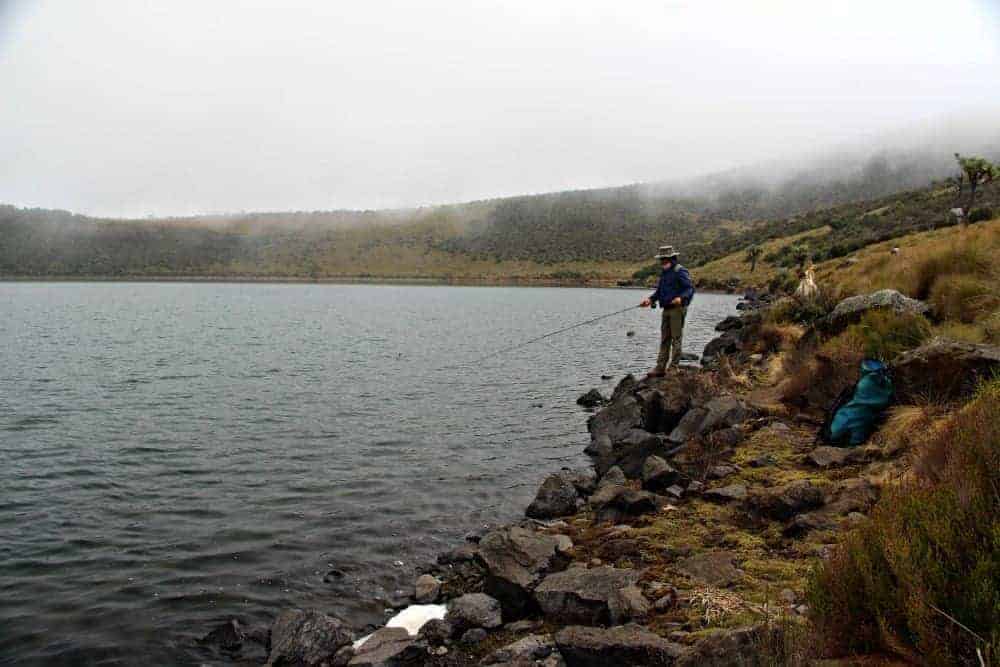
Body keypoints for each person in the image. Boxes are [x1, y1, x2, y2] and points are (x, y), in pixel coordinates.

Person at [639, 245, 695, 378]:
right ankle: (660, 368)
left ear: (671, 257)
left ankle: (673, 368)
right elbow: (659, 292)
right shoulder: (664, 273)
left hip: (677, 309)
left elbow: (690, 289)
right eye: (661, 259)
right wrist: (650, 300)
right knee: (665, 339)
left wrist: (680, 298)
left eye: (664, 258)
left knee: (676, 338)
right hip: (666, 310)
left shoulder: (680, 271)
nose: (662, 261)